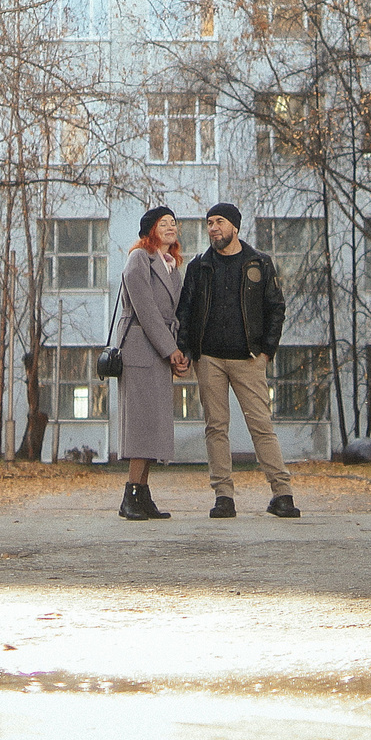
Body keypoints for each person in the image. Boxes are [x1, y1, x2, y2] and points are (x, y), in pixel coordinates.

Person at [174, 203, 296, 518]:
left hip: (249, 358)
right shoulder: (199, 265)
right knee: (216, 427)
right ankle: (223, 498)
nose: (213, 228)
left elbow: (276, 308)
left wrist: (267, 352)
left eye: (219, 222)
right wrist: (186, 350)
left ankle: (282, 494)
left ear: (234, 227)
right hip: (209, 359)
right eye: (209, 223)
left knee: (261, 426)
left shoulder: (259, 263)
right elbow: (185, 310)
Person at [112, 207, 187, 521]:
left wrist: (179, 351)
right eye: (163, 223)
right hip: (141, 350)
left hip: (157, 351)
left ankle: (141, 494)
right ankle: (131, 493)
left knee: (153, 424)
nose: (170, 228)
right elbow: (145, 310)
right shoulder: (140, 258)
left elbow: (175, 315)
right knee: (141, 424)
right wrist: (171, 350)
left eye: (173, 223)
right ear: (150, 230)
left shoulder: (172, 267)